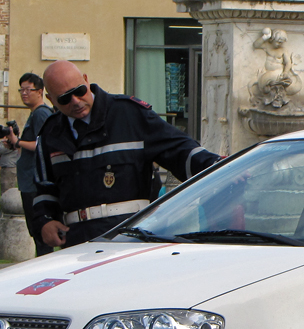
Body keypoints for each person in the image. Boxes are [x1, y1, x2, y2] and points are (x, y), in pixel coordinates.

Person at [33, 60, 221, 248]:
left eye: (79, 91)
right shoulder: (50, 134)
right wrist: (45, 221)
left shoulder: (130, 114)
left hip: (129, 236)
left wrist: (217, 166)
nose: (75, 101)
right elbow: (44, 187)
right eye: (64, 99)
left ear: (86, 80)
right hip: (77, 240)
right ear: (51, 99)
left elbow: (178, 150)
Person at [5, 73, 54, 256]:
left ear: (40, 92)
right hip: (28, 181)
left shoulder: (41, 114)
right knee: (35, 232)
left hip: (35, 182)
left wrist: (17, 142)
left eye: (28, 90)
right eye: (21, 90)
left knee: (40, 233)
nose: (24, 93)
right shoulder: (34, 114)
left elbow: (42, 144)